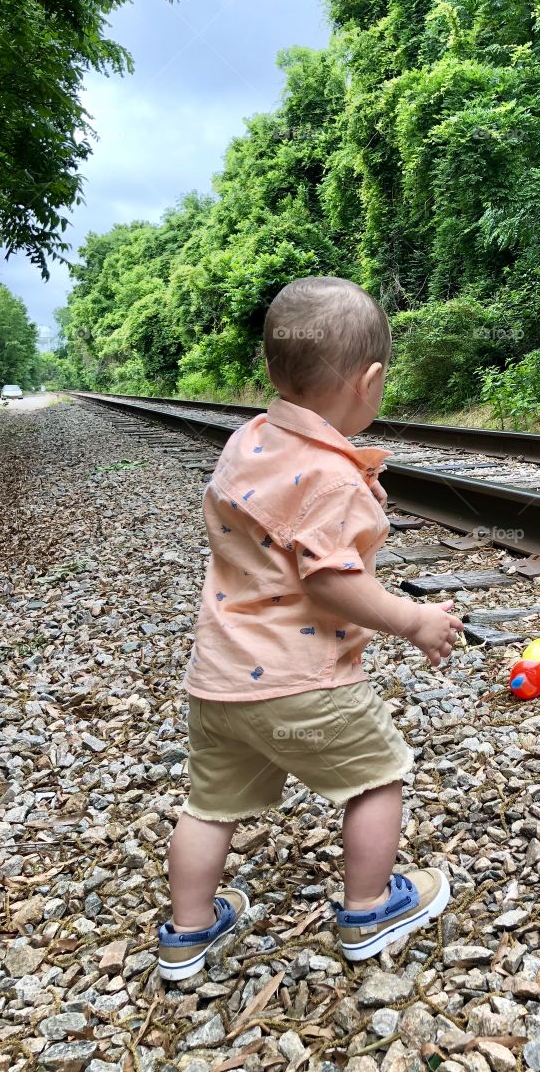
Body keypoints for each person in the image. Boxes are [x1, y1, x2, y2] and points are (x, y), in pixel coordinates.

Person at [156, 277, 462, 979]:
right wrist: (415, 620)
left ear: (272, 372)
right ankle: (370, 908)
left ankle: (188, 932)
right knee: (378, 779)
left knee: (208, 806)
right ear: (372, 381)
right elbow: (331, 581)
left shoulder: (249, 442)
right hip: (303, 684)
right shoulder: (331, 478)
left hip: (219, 683)